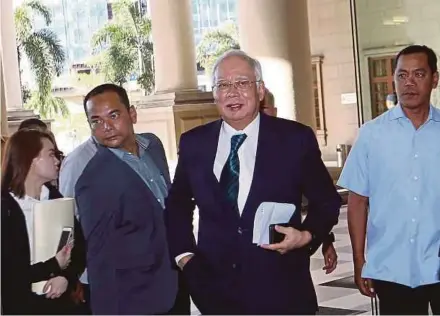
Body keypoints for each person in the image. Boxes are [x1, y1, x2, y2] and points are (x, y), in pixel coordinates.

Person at [165, 50, 341, 314]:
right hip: (215, 295)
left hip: (283, 292)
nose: (233, 92)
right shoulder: (194, 144)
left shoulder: (294, 139)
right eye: (223, 85)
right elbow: (178, 204)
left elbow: (327, 201)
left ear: (260, 91)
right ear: (214, 94)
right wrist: (184, 258)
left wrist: (307, 236)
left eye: (242, 83)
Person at [338, 45, 440, 315]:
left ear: (435, 79)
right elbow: (357, 202)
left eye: (418, 74)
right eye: (402, 75)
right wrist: (360, 261)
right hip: (392, 269)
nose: (409, 82)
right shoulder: (372, 135)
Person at [75, 84, 188, 315]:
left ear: (132, 114)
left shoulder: (153, 145)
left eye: (113, 115)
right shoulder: (93, 180)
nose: (106, 127)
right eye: (96, 121)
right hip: (135, 299)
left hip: (175, 284)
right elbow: (98, 256)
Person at [1, 129, 86, 315]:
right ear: (30, 159)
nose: (57, 161)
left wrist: (66, 277)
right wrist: (53, 266)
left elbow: (79, 248)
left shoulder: (56, 198)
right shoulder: (5, 207)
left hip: (61, 305)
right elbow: (8, 272)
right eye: (51, 154)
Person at [260, 88, 338, 274]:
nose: (260, 115)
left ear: (275, 110)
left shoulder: (294, 142)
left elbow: (320, 198)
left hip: (286, 254)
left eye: (265, 108)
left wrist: (319, 238)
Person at [59, 136, 97, 313]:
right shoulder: (77, 160)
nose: (56, 159)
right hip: (91, 271)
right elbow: (67, 221)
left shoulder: (148, 146)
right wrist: (74, 276)